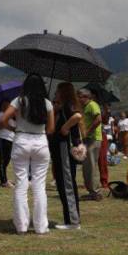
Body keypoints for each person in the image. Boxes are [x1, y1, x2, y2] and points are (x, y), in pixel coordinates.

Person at [0, 73, 55, 235]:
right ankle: (40, 226)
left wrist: (13, 128)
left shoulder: (19, 101)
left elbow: (2, 121)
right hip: (40, 142)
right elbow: (50, 129)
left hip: (21, 140)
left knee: (21, 184)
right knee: (39, 185)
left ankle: (21, 225)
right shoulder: (47, 104)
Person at [49, 82, 83, 229]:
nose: (55, 94)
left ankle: (73, 221)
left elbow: (77, 116)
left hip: (64, 148)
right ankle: (70, 219)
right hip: (59, 148)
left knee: (67, 182)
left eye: (57, 91)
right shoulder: (62, 107)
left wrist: (65, 127)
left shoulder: (69, 105)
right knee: (63, 183)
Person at [78, 88, 102, 201]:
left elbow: (98, 119)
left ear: (86, 97)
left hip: (93, 139)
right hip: (87, 139)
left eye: (80, 96)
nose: (78, 98)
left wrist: (88, 131)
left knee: (92, 166)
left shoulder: (93, 105)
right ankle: (91, 191)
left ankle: (96, 192)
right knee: (87, 166)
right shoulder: (84, 107)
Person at [0, 100, 15, 187]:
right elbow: (0, 125)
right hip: (2, 139)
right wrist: (10, 127)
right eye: (6, 103)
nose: (8, 105)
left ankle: (5, 178)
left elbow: (15, 126)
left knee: (7, 159)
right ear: (2, 105)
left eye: (9, 104)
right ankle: (4, 181)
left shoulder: (12, 115)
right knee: (2, 160)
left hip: (11, 139)